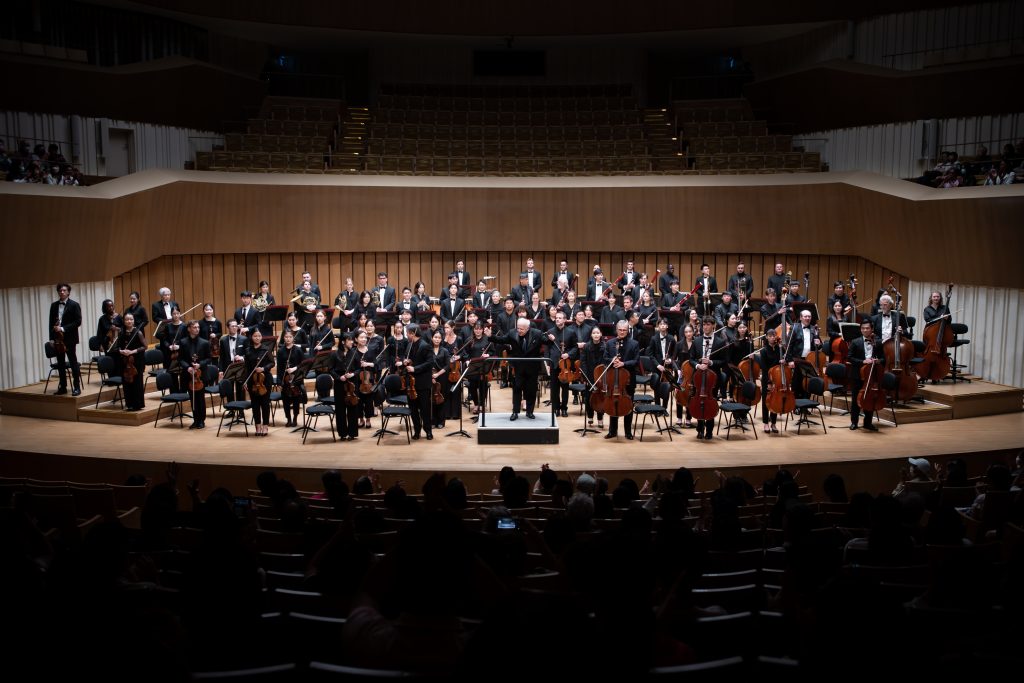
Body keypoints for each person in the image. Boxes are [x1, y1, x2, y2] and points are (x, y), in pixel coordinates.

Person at [487, 317, 544, 421]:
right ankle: (515, 412)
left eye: (521, 329)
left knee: (531, 390)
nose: (519, 331)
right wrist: (490, 336)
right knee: (517, 389)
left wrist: (551, 338)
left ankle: (530, 412)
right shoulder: (512, 333)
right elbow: (501, 339)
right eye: (518, 328)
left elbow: (546, 342)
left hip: (532, 368)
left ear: (528, 328)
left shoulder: (537, 333)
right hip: (518, 368)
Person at [689, 316, 726, 440]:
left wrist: (710, 363)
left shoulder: (720, 342)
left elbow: (724, 361)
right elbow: (691, 359)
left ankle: (709, 430)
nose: (705, 327)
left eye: (708, 324)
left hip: (713, 380)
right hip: (699, 378)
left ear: (713, 326)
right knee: (698, 402)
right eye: (704, 325)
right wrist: (698, 365)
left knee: (711, 403)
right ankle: (700, 428)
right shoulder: (697, 341)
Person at [603, 320, 639, 440]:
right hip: (613, 380)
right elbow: (605, 358)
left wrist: (623, 363)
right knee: (613, 404)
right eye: (620, 330)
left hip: (628, 381)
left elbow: (636, 361)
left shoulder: (634, 344)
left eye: (624, 330)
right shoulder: (610, 343)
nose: (622, 332)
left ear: (628, 330)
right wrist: (612, 361)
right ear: (616, 330)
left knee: (628, 406)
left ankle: (628, 432)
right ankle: (612, 431)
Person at [847, 319, 884, 431]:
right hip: (858, 374)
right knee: (855, 400)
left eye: (867, 328)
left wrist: (878, 361)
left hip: (872, 375)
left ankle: (868, 423)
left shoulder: (878, 342)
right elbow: (849, 357)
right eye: (863, 328)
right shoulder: (855, 342)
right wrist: (863, 361)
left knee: (870, 398)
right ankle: (854, 422)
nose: (865, 330)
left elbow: (884, 358)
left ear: (872, 329)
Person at [178, 319, 212, 430]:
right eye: (194, 327)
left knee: (200, 398)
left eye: (198, 327)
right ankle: (195, 420)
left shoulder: (204, 342)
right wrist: (187, 367)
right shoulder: (183, 342)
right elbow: (181, 359)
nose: (197, 329)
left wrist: (199, 365)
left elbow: (208, 358)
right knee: (192, 398)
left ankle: (201, 420)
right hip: (188, 375)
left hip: (200, 375)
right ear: (189, 329)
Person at [546, 311, 579, 418]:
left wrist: (568, 354)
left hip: (565, 365)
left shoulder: (571, 332)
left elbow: (575, 347)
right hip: (554, 363)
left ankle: (564, 408)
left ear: (565, 320)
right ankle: (556, 408)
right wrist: (547, 362)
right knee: (554, 388)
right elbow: (547, 348)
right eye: (556, 318)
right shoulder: (550, 332)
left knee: (565, 387)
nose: (557, 319)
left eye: (560, 318)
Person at [331, 333, 360, 440]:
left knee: (352, 408)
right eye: (349, 340)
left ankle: (352, 433)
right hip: (340, 385)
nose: (352, 342)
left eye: (352, 340)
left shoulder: (355, 353)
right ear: (343, 342)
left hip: (352, 384)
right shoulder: (335, 354)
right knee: (340, 409)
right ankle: (342, 433)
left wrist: (352, 374)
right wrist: (339, 378)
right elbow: (331, 369)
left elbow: (358, 369)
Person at [245, 329, 275, 436]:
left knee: (265, 403)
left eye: (259, 336)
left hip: (265, 380)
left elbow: (272, 363)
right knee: (255, 404)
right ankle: (257, 426)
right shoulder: (248, 350)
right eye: (255, 336)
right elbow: (247, 368)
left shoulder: (266, 349)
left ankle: (265, 426)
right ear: (251, 338)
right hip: (252, 380)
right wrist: (246, 381)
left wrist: (263, 368)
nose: (257, 338)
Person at [114, 312, 146, 411]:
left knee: (137, 383)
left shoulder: (138, 332)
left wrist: (132, 351)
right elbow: (117, 347)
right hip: (125, 361)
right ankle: (129, 404)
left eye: (131, 319)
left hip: (136, 362)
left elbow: (145, 346)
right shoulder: (121, 333)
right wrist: (121, 351)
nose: (129, 321)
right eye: (127, 319)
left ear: (134, 321)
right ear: (124, 321)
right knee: (126, 383)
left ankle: (137, 404)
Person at [276, 329, 306, 428]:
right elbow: (279, 368)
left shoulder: (298, 350)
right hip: (285, 379)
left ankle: (295, 418)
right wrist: (279, 382)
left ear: (293, 338)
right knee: (285, 400)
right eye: (286, 337)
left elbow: (303, 364)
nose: (288, 339)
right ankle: (288, 418)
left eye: (290, 337)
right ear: (283, 338)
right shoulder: (280, 351)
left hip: (296, 378)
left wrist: (294, 368)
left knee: (296, 399)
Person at [580, 325, 607, 429]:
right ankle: (590, 416)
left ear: (600, 334)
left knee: (601, 398)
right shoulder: (586, 346)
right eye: (594, 333)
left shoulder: (605, 347)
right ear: (591, 335)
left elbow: (605, 362)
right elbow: (583, 362)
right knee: (589, 398)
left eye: (598, 333)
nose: (596, 335)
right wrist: (586, 377)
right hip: (589, 376)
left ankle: (600, 418)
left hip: (601, 376)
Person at [759, 327, 783, 434]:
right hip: (767, 379)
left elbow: (781, 362)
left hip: (777, 379)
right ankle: (765, 423)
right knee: (766, 401)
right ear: (767, 337)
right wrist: (769, 382)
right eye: (770, 336)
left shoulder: (779, 348)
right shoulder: (764, 351)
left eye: (774, 336)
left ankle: (773, 423)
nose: (772, 338)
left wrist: (783, 360)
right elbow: (764, 368)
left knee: (775, 401)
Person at [428, 329, 452, 429]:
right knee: (431, 399)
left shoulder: (445, 351)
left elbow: (447, 366)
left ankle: (441, 421)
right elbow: (426, 364)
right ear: (432, 338)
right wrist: (431, 376)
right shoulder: (428, 350)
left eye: (439, 338)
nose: (437, 339)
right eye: (435, 337)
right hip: (430, 377)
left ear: (441, 339)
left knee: (441, 399)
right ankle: (433, 420)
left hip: (442, 377)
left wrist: (437, 374)